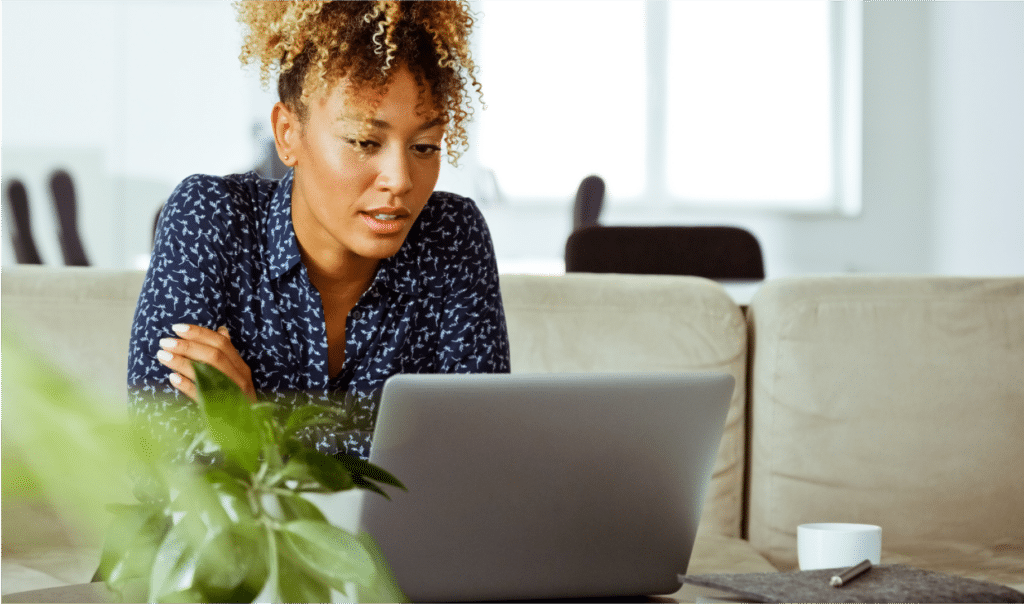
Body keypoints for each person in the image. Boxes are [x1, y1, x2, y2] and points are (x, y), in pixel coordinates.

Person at [127, 0, 510, 460]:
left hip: (393, 538)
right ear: (288, 134)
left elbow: (475, 463)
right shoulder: (210, 217)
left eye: (424, 147)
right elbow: (159, 462)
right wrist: (380, 456)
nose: (401, 178)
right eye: (364, 142)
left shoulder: (453, 237)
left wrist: (254, 428)